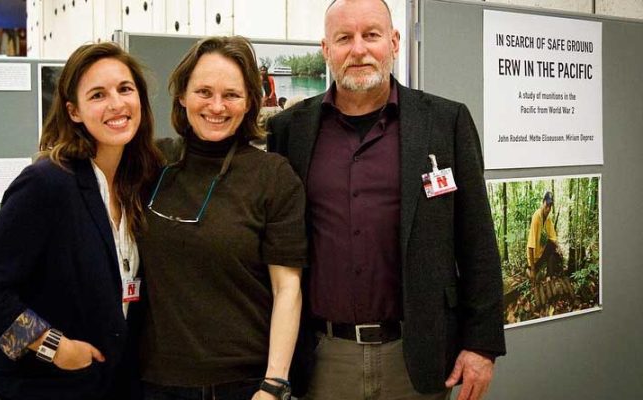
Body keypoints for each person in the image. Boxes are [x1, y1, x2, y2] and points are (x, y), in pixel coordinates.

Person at [267, 1, 506, 399]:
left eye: (371, 35)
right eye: (344, 38)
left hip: (419, 355)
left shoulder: (445, 123)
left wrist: (482, 343)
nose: (358, 49)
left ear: (394, 42)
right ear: (326, 49)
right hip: (323, 358)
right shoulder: (289, 131)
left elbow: (477, 240)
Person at [0, 42, 163, 400]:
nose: (116, 104)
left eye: (125, 89)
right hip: (33, 386)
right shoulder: (48, 183)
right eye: (98, 95)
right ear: (74, 111)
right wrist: (51, 345)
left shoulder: (141, 184)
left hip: (104, 384)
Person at [137, 36, 306, 400]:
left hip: (242, 384)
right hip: (155, 381)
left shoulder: (273, 177)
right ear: (182, 96)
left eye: (231, 94)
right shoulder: (154, 165)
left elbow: (286, 288)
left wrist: (274, 383)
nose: (217, 106)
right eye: (204, 92)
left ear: (249, 103)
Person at [527, 191, 563, 283]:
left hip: (541, 255)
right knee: (536, 277)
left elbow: (553, 238)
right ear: (543, 203)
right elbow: (530, 246)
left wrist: (559, 249)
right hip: (534, 260)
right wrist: (532, 269)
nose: (548, 209)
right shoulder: (537, 217)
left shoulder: (547, 219)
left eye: (550, 206)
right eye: (547, 205)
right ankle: (529, 269)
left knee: (553, 248)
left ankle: (549, 276)